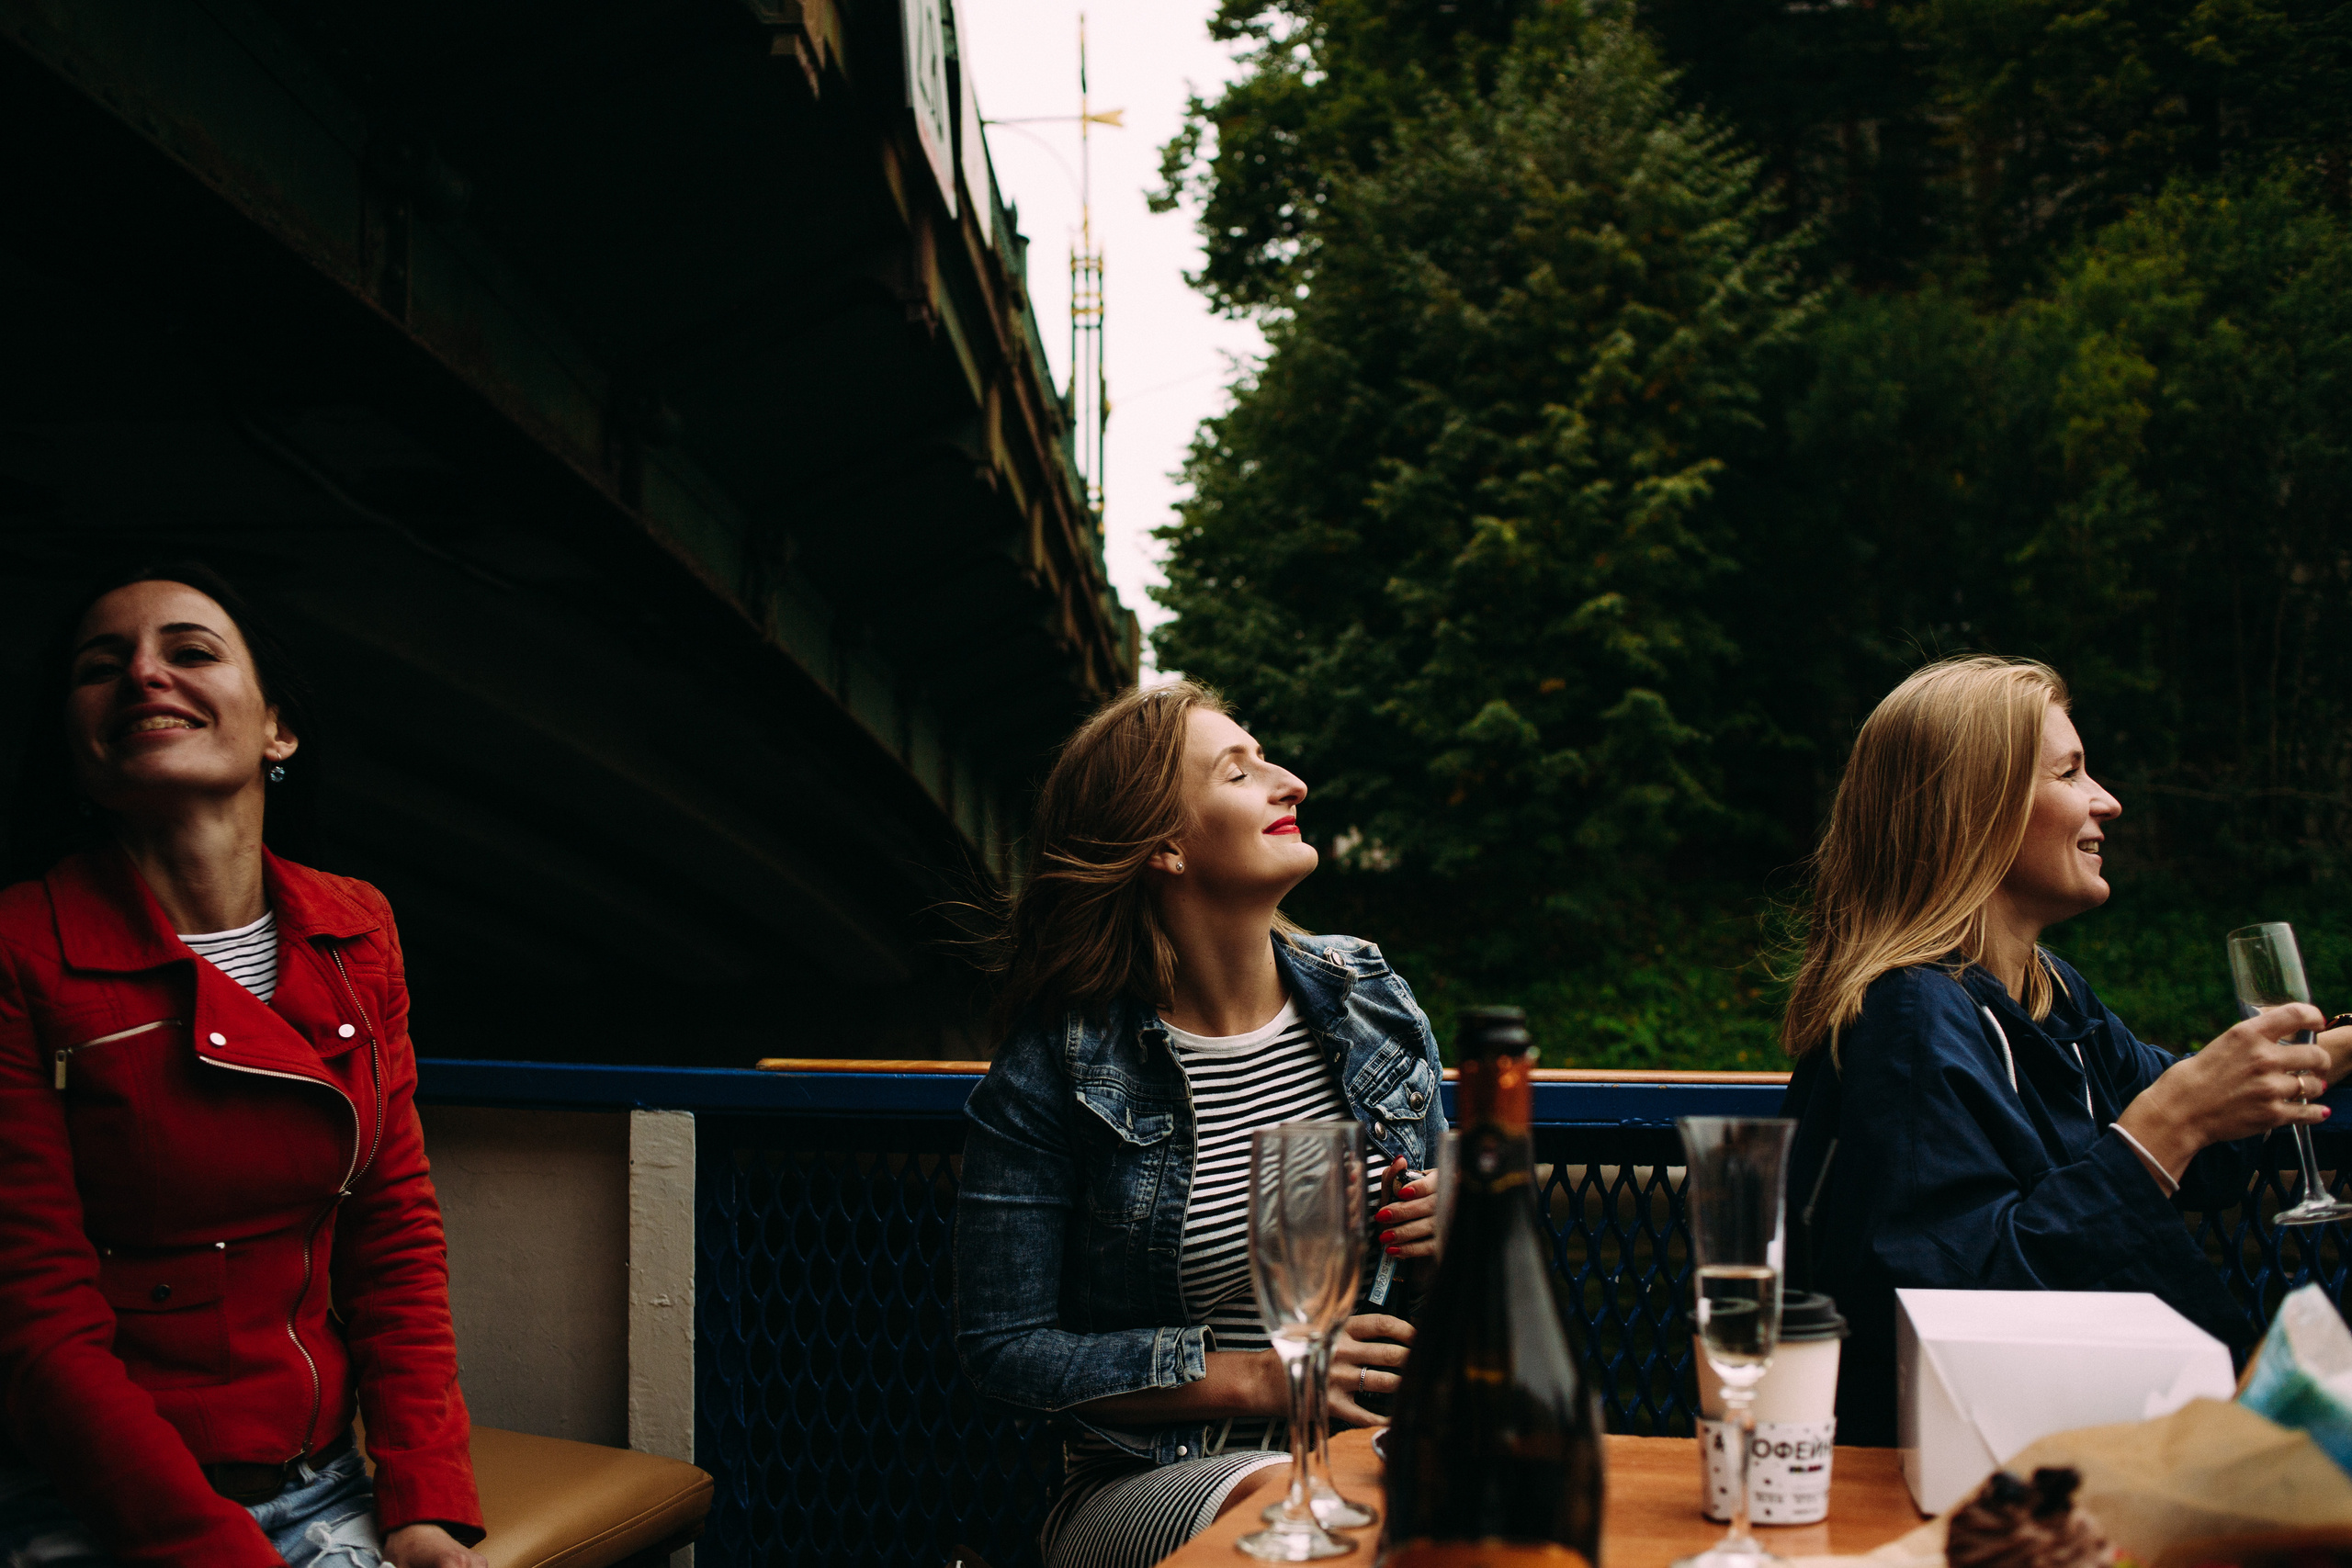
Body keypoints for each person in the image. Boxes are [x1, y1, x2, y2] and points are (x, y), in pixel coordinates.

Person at [0, 564, 485, 1568]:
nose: (144, 675)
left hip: (321, 1480)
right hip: (91, 1500)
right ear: (77, 751)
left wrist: (426, 1506)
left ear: (279, 730)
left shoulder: (358, 928)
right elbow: (34, 1320)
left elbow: (392, 1237)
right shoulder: (17, 950)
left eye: (191, 652)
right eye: (103, 666)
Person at [1780, 655, 2351, 1447]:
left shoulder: (2048, 995)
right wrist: (2164, 1128)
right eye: (2071, 772)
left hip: (2057, 1444)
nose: (2107, 801)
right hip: (1937, 1480)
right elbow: (1956, 1307)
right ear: (1975, 808)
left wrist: (2333, 1047)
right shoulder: (1908, 1017)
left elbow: (2211, 1147)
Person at [954, 682, 1448, 1568]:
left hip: (1366, 1454)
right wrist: (1265, 1374)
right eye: (1241, 771)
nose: (1290, 781)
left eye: (1271, 760)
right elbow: (1005, 1351)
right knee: (1310, 1530)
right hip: (1142, 1481)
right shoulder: (1058, 1066)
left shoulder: (1371, 998)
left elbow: (1443, 1312)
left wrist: (1454, 1239)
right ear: (1166, 846)